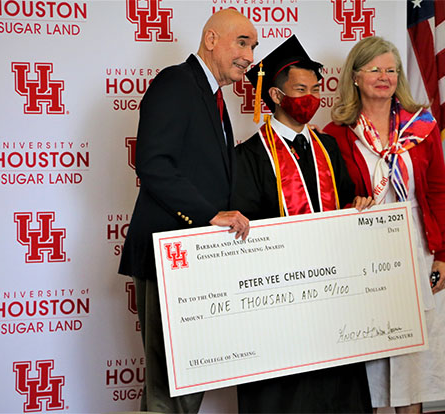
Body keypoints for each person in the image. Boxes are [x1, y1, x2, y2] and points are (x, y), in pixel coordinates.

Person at [118, 9, 257, 413]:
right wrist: (208, 215)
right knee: (169, 389)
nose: (250, 56)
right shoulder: (176, 82)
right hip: (170, 254)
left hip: (194, 257)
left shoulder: (213, 97)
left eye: (254, 45)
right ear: (211, 39)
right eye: (242, 42)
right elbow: (154, 164)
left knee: (184, 384)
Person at [233, 35, 373, 413]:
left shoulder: (327, 147)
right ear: (277, 96)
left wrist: (356, 207)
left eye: (315, 89)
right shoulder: (248, 156)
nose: (310, 98)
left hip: (333, 297)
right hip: (278, 302)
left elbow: (345, 201)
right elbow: (242, 232)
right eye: (300, 89)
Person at [324, 36, 445, 413]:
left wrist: (443, 254)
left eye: (391, 70)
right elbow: (329, 197)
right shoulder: (336, 134)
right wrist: (352, 205)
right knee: (371, 356)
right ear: (355, 76)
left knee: (412, 361)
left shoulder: (421, 127)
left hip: (416, 248)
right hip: (364, 255)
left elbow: (437, 191)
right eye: (375, 70)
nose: (384, 77)